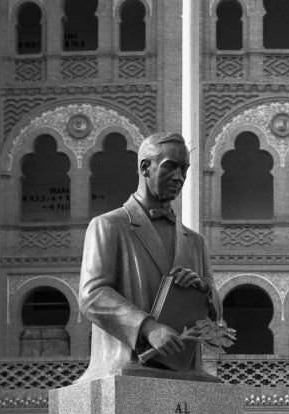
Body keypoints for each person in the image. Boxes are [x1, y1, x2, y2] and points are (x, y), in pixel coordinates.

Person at [79, 131, 221, 379]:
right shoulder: (109, 226)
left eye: (184, 169)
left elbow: (215, 313)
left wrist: (203, 291)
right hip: (129, 367)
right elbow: (92, 295)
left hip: (184, 371)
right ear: (145, 167)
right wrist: (148, 328)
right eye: (170, 167)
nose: (180, 177)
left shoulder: (195, 242)